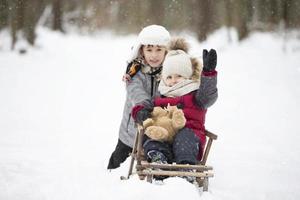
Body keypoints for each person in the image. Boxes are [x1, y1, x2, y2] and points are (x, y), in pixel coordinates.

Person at [131, 38, 218, 181]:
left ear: (189, 76)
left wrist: (208, 74)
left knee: (184, 138)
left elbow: (209, 96)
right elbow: (142, 105)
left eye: (179, 76)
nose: (173, 80)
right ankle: (159, 159)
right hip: (164, 134)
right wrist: (140, 111)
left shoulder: (196, 96)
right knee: (154, 137)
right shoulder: (160, 96)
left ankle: (186, 166)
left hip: (189, 135)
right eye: (169, 77)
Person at [107, 25, 171, 169]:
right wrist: (143, 105)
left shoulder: (170, 71)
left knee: (154, 157)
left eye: (159, 49)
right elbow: (134, 89)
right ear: (141, 50)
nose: (154, 55)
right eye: (149, 50)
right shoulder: (134, 70)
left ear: (166, 50)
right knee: (119, 162)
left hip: (158, 129)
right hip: (131, 130)